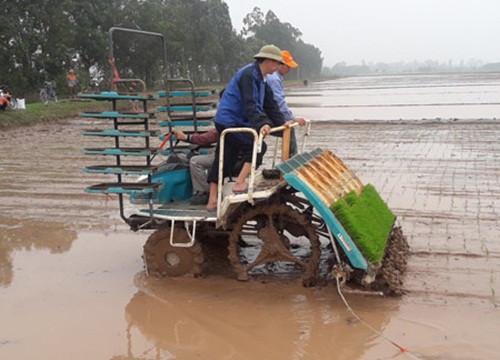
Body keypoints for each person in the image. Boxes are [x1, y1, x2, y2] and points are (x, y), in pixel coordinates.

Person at [205, 44, 295, 211]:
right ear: (267, 60)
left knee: (225, 158)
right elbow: (251, 103)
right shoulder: (249, 75)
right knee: (257, 146)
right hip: (229, 121)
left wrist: (282, 123)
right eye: (276, 63)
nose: (277, 68)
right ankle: (239, 183)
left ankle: (212, 200)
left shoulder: (262, 78)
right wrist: (262, 124)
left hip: (238, 121)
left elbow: (270, 104)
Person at [267, 50, 307, 157]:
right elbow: (279, 102)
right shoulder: (274, 79)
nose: (289, 70)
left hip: (266, 112)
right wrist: (293, 118)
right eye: (288, 67)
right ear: (280, 64)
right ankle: (291, 161)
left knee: (287, 129)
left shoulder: (273, 77)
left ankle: (287, 161)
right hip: (264, 114)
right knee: (289, 130)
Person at [173, 128, 218, 205]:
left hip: (229, 155)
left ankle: (204, 193)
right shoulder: (237, 120)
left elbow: (211, 136)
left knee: (195, 161)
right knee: (209, 152)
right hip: (235, 153)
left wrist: (186, 137)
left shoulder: (228, 121)